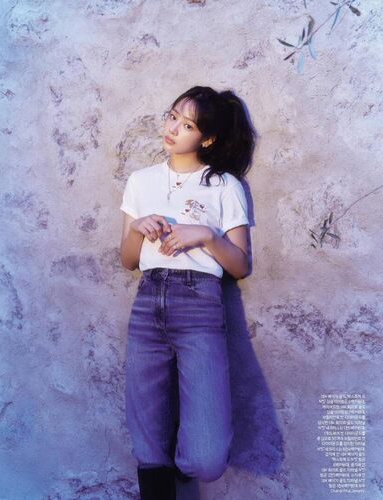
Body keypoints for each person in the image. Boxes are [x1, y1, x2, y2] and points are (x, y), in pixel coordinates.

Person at [119, 85, 258, 500]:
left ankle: (180, 455)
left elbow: (240, 265)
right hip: (147, 303)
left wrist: (208, 236)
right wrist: (137, 229)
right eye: (172, 117)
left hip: (200, 305)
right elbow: (127, 259)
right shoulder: (141, 181)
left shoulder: (225, 185)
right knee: (147, 446)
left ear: (207, 138)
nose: (173, 128)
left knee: (206, 458)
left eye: (188, 125)